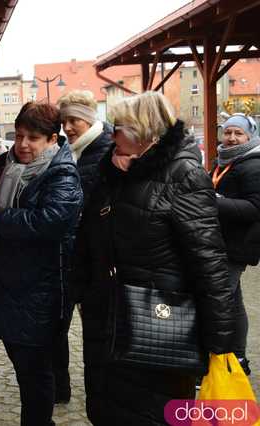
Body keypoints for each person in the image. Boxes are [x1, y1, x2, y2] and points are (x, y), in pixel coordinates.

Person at [71, 91, 236, 424]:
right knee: (108, 410)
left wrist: (220, 342)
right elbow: (89, 237)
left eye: (120, 128)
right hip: (108, 318)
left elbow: (209, 262)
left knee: (153, 414)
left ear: (146, 133)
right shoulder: (114, 173)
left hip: (161, 324)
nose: (112, 134)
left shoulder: (184, 175)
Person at [0, 101, 82, 426]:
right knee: (23, 364)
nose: (23, 145)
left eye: (33, 138)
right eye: (19, 136)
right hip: (6, 283)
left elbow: (51, 221)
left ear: (52, 140)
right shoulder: (6, 161)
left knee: (35, 372)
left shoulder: (62, 173)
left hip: (39, 288)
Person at [53, 90, 114, 403]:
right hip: (75, 255)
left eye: (73, 120)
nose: (68, 127)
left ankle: (102, 399)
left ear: (89, 119)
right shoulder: (73, 149)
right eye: (64, 121)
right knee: (59, 327)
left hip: (95, 258)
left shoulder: (105, 148)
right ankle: (59, 388)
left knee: (97, 334)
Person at [211, 113, 260, 375]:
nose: (231, 138)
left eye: (237, 134)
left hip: (236, 246)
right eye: (227, 132)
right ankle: (239, 359)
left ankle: (219, 362)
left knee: (220, 303)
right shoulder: (224, 161)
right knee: (234, 302)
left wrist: (213, 200)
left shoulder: (253, 164)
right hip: (223, 243)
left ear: (249, 136)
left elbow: (255, 208)